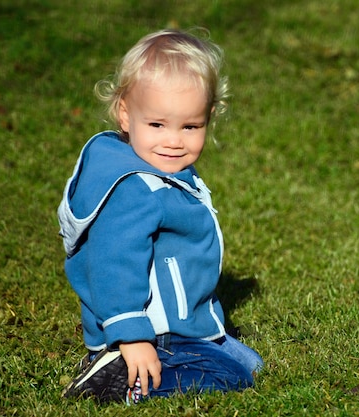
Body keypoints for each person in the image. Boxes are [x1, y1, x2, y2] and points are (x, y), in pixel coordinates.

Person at [57, 28, 263, 404]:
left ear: (209, 116)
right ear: (124, 113)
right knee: (231, 375)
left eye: (190, 126)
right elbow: (112, 263)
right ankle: (123, 382)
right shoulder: (136, 189)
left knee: (250, 364)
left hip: (176, 325)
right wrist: (133, 337)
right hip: (152, 333)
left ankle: (157, 355)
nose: (173, 141)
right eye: (157, 125)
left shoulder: (159, 166)